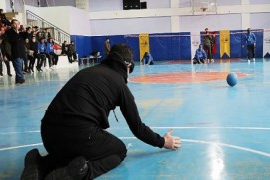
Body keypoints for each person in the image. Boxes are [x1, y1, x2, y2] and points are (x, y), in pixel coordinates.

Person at [20, 44, 181, 180]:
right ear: (127, 65)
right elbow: (137, 127)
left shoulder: (88, 72)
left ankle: (39, 164)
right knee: (119, 150)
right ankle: (81, 172)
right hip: (79, 133)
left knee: (69, 150)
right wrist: (162, 142)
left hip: (48, 133)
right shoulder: (120, 84)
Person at [5, 19, 26, 84]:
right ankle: (20, 78)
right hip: (15, 52)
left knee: (19, 66)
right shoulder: (9, 32)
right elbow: (12, 41)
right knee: (18, 66)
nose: (17, 25)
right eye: (15, 23)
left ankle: (17, 80)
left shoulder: (20, 33)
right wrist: (17, 33)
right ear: (12, 24)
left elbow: (26, 37)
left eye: (18, 24)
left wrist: (23, 31)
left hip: (21, 52)